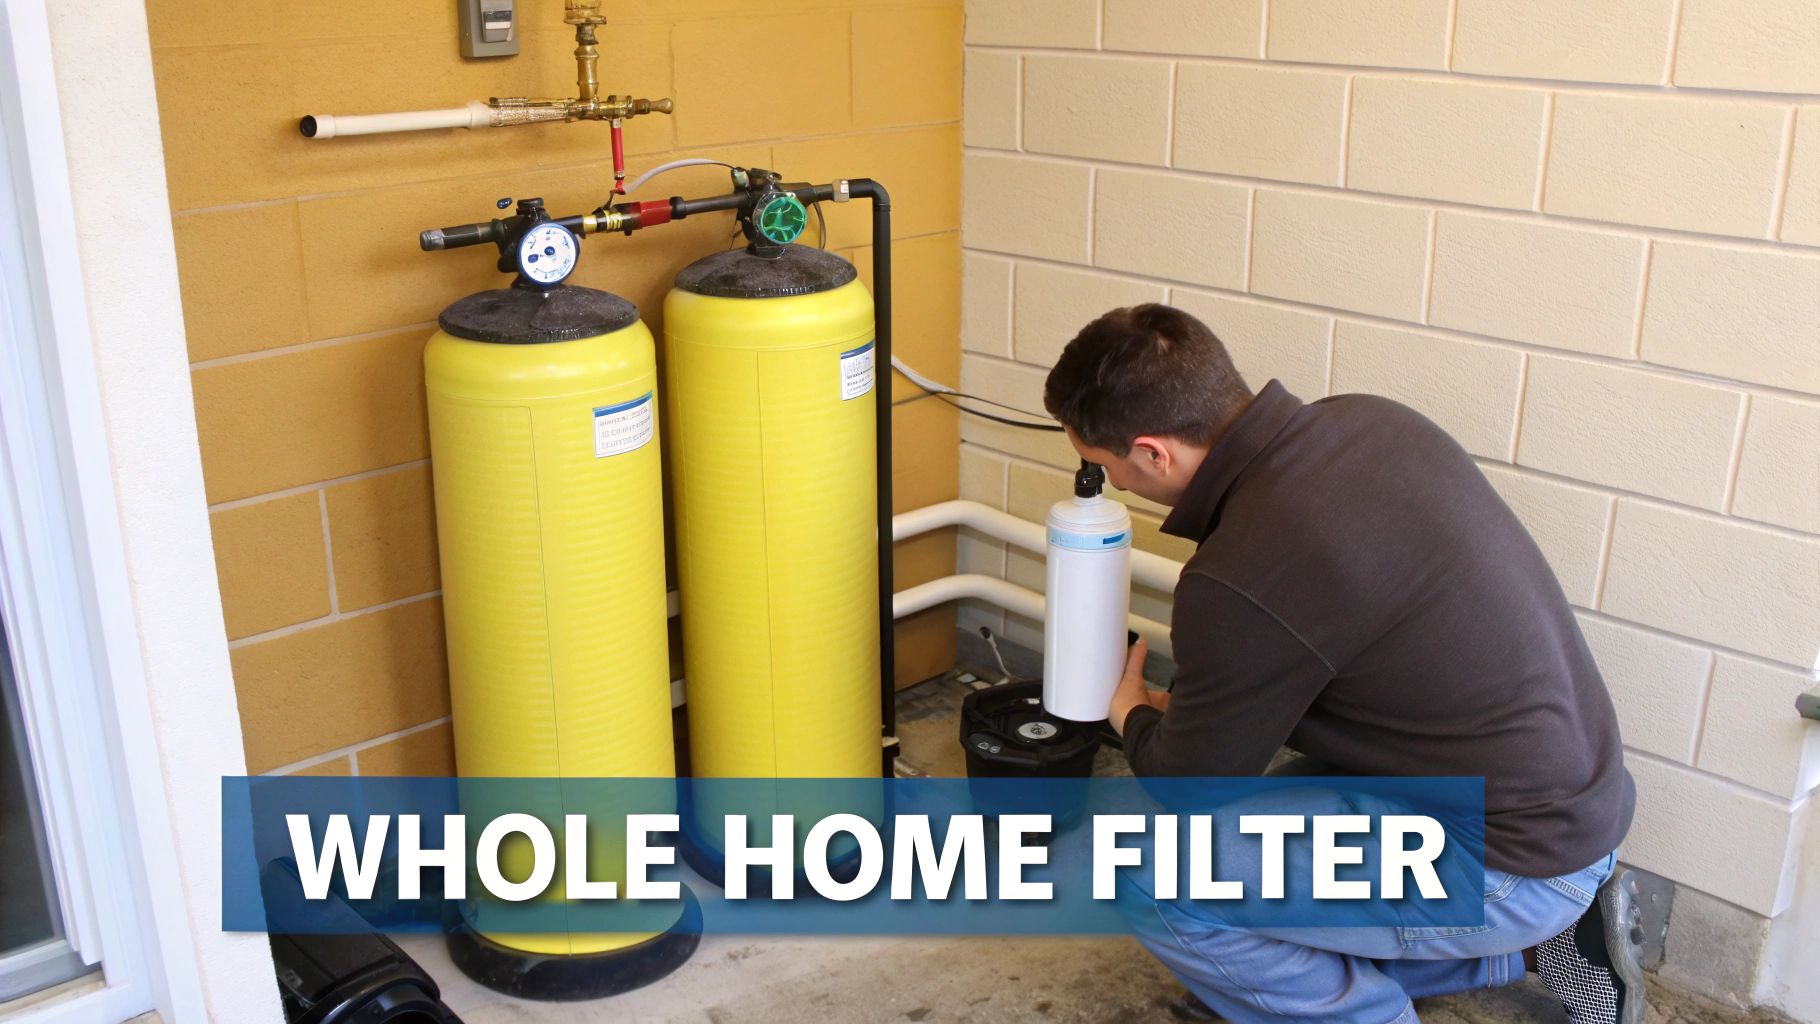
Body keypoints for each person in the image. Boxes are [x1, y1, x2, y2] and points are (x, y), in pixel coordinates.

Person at [1041, 304, 1645, 1024]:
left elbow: (1189, 784)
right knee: (1255, 865)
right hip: (1562, 810)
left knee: (1152, 874)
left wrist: (1132, 713)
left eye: (1107, 470)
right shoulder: (1370, 422)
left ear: (1153, 453)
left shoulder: (1242, 572)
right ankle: (1534, 952)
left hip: (1512, 862)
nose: (1116, 486)